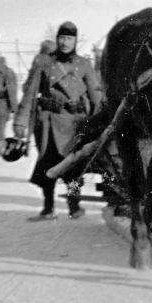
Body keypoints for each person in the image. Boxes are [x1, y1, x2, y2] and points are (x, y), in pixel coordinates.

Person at [14, 22, 103, 220]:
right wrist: (20, 121)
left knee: (73, 167)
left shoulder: (84, 64)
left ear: (75, 41)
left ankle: (74, 205)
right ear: (57, 39)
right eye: (62, 38)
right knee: (48, 164)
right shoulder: (44, 62)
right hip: (48, 123)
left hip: (75, 123)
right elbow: (29, 93)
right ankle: (48, 206)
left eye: (69, 39)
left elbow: (95, 96)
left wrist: (99, 122)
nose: (65, 43)